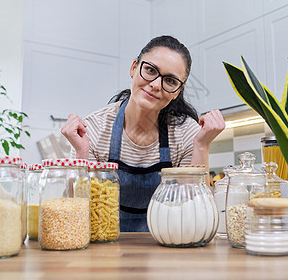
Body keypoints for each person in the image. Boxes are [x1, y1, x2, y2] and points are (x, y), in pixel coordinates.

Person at [61, 35, 225, 232]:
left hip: (167, 247)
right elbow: (75, 215)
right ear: (133, 68)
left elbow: (197, 216)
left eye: (170, 81)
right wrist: (82, 155)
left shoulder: (187, 133)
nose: (156, 84)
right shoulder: (95, 129)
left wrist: (201, 146)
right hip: (106, 247)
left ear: (177, 91)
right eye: (150, 70)